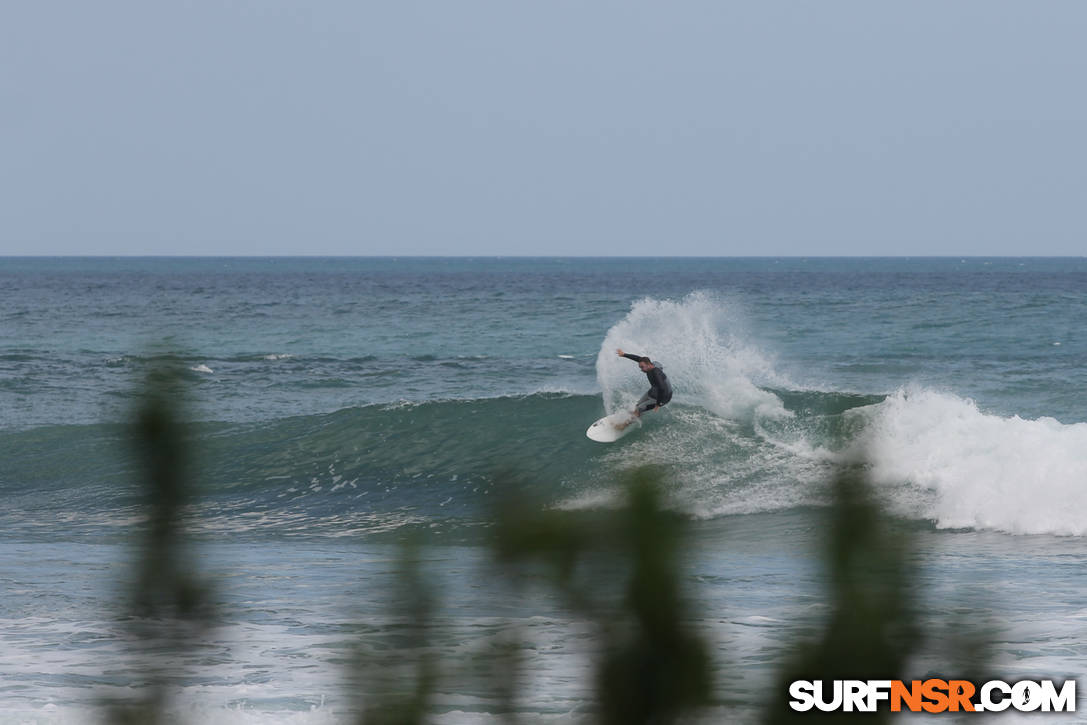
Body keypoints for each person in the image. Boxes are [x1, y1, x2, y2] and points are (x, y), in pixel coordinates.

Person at [616, 348, 672, 425]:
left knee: (639, 408)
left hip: (664, 397)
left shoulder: (656, 373)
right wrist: (624, 354)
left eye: (642, 367)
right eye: (640, 367)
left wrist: (658, 404)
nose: (641, 369)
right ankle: (637, 414)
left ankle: (624, 425)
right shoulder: (651, 364)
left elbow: (662, 388)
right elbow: (638, 358)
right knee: (638, 405)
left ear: (648, 365)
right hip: (654, 391)